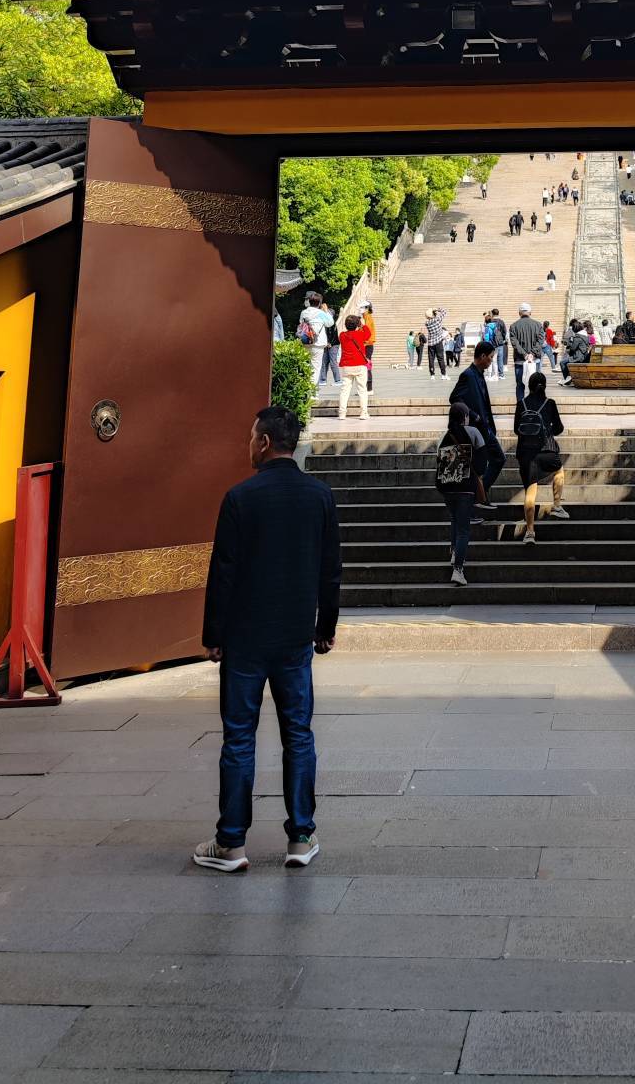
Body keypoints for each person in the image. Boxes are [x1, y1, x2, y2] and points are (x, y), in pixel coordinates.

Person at [197, 406, 341, 871]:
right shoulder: (319, 497)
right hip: (295, 637)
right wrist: (326, 628)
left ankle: (231, 843)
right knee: (298, 734)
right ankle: (300, 836)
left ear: (263, 442)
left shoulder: (240, 497)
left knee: (239, 737)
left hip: (245, 638)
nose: (248, 445)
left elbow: (223, 572)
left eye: (250, 437)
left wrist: (214, 634)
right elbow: (330, 571)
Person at [513, 371, 568, 544]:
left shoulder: (521, 404)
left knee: (530, 492)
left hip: (526, 454)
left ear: (529, 386)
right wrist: (547, 429)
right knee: (559, 470)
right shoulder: (549, 403)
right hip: (546, 451)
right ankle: (557, 505)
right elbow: (559, 428)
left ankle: (530, 532)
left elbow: (516, 429)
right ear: (544, 386)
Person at [449, 341, 504, 507]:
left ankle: (479, 495)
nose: (491, 361)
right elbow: (454, 398)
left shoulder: (479, 374)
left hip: (485, 428)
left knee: (496, 459)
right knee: (497, 458)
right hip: (477, 428)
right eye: (490, 357)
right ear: (482, 356)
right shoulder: (468, 375)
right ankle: (478, 496)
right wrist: (475, 416)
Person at [436, 400, 483, 587]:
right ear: (465, 417)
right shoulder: (473, 432)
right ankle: (458, 569)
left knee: (454, 519)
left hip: (447, 487)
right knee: (464, 529)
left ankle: (455, 552)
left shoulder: (443, 436)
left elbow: (439, 462)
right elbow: (483, 460)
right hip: (465, 488)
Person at [509, 301, 546, 406]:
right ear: (530, 312)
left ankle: (521, 407)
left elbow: (514, 343)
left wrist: (525, 354)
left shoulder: (513, 326)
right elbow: (540, 341)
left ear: (519, 313)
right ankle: (535, 406)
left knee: (520, 385)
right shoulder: (538, 325)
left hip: (520, 360)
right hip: (535, 360)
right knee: (536, 385)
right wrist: (532, 354)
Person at [337, 313, 370, 421]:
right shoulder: (360, 334)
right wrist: (362, 325)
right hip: (360, 364)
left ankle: (342, 413)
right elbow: (368, 334)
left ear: (346, 325)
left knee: (345, 390)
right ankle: (363, 413)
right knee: (362, 390)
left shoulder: (342, 335)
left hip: (346, 365)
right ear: (357, 324)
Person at [425, 306, 448, 379]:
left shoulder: (427, 323)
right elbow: (444, 312)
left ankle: (432, 375)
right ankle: (443, 375)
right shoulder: (438, 319)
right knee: (440, 358)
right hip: (438, 342)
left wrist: (433, 312)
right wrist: (437, 309)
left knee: (431, 359)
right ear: (434, 314)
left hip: (431, 343)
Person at [358, 300, 376, 395]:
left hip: (367, 345)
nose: (360, 309)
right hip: (366, 344)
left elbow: (367, 332)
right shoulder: (365, 317)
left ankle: (369, 389)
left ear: (367, 308)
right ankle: (365, 388)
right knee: (364, 367)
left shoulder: (368, 317)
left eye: (362, 307)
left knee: (366, 367)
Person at [487, 307, 508, 381]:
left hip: (492, 343)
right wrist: (503, 339)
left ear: (492, 314)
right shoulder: (501, 322)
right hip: (500, 342)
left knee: (493, 359)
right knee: (500, 358)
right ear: (498, 313)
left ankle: (493, 374)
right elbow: (504, 332)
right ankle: (501, 374)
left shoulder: (490, 321)